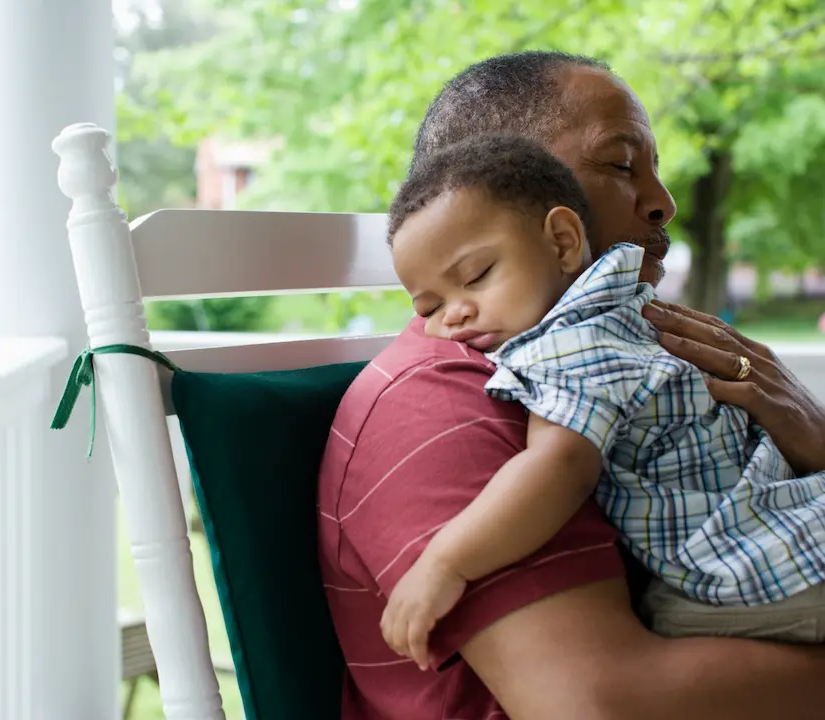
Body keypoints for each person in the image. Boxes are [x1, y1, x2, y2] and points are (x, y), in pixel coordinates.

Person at [317, 51, 825, 720]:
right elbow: (603, 705)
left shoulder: (619, 341)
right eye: (622, 164)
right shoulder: (433, 405)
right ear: (502, 179)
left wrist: (809, 437)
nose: (663, 202)